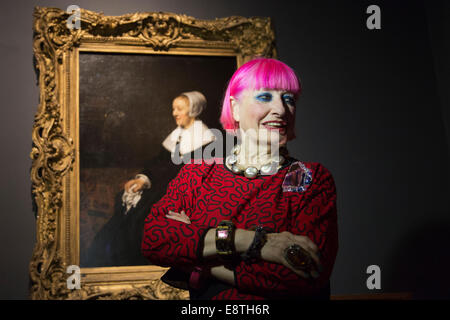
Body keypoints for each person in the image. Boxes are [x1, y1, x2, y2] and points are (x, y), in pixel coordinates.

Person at [141, 58, 338, 299]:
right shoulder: (198, 173)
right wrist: (258, 242)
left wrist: (198, 259)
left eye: (289, 99)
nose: (281, 109)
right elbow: (154, 238)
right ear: (234, 108)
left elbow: (304, 273)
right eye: (265, 97)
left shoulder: (306, 177)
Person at [86, 91, 215, 267]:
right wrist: (142, 179)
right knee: (126, 206)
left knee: (146, 215)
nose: (174, 113)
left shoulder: (207, 140)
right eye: (173, 109)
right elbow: (158, 164)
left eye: (179, 109)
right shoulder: (176, 135)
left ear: (193, 110)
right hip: (162, 188)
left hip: (186, 194)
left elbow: (202, 177)